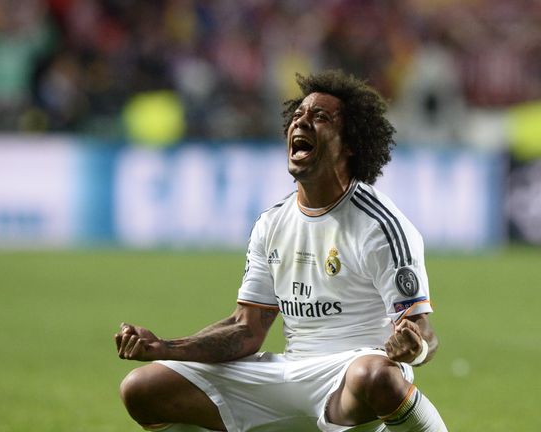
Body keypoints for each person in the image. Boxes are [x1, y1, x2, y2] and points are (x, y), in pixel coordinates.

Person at [114, 70, 448, 432]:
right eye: (298, 115)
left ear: (350, 143)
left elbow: (422, 331)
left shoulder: (380, 226)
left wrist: (414, 348)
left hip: (350, 377)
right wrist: (163, 348)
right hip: (289, 372)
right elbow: (246, 330)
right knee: (142, 388)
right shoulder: (271, 224)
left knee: (377, 376)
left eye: (320, 117)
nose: (301, 122)